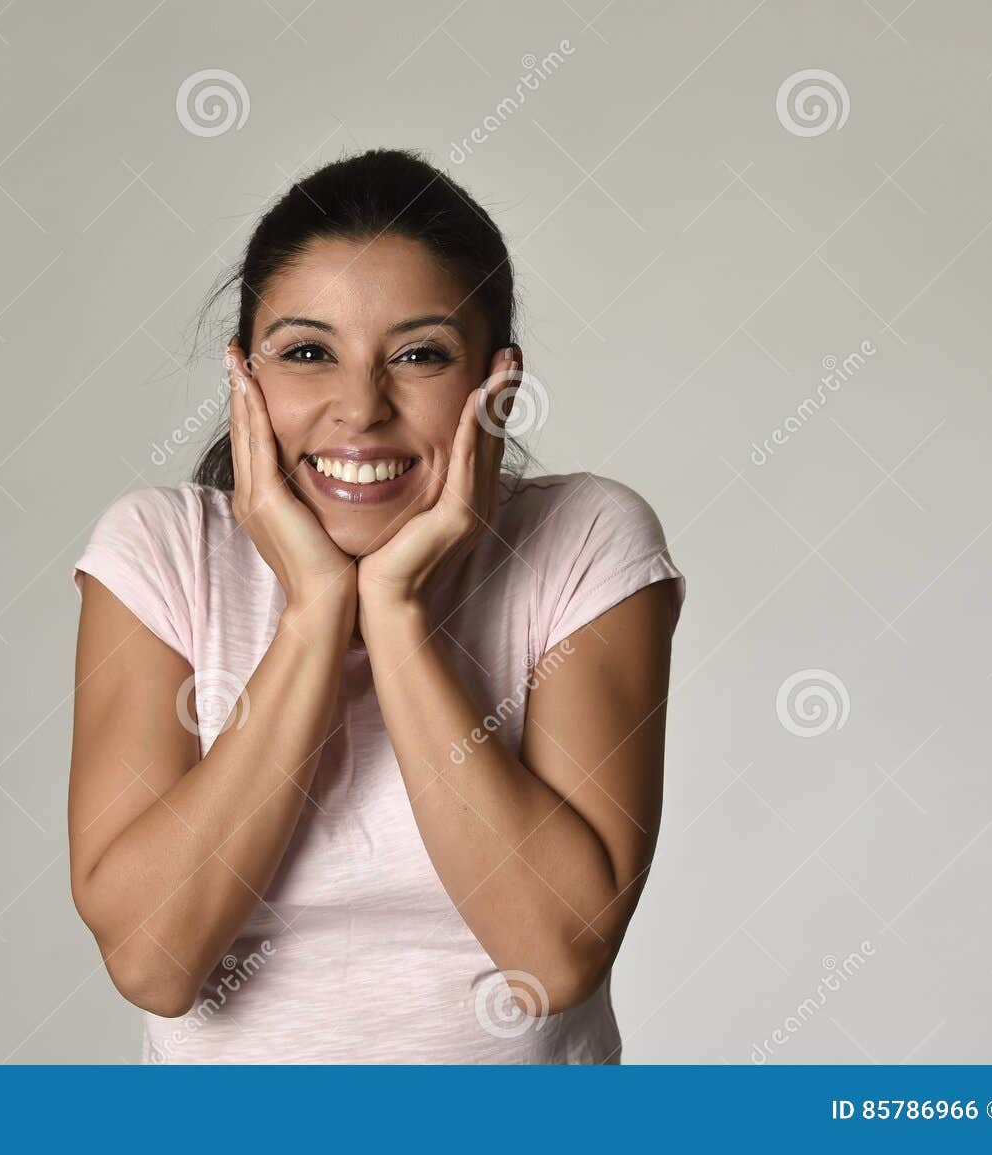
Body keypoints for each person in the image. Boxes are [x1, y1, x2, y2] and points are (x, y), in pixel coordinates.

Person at [67, 148, 686, 1063]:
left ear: (496, 385)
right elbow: (156, 960)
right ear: (246, 378)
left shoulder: (586, 541)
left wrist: (394, 614)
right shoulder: (163, 553)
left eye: (419, 356)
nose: (360, 408)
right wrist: (316, 613)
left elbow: (556, 957)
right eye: (309, 352)